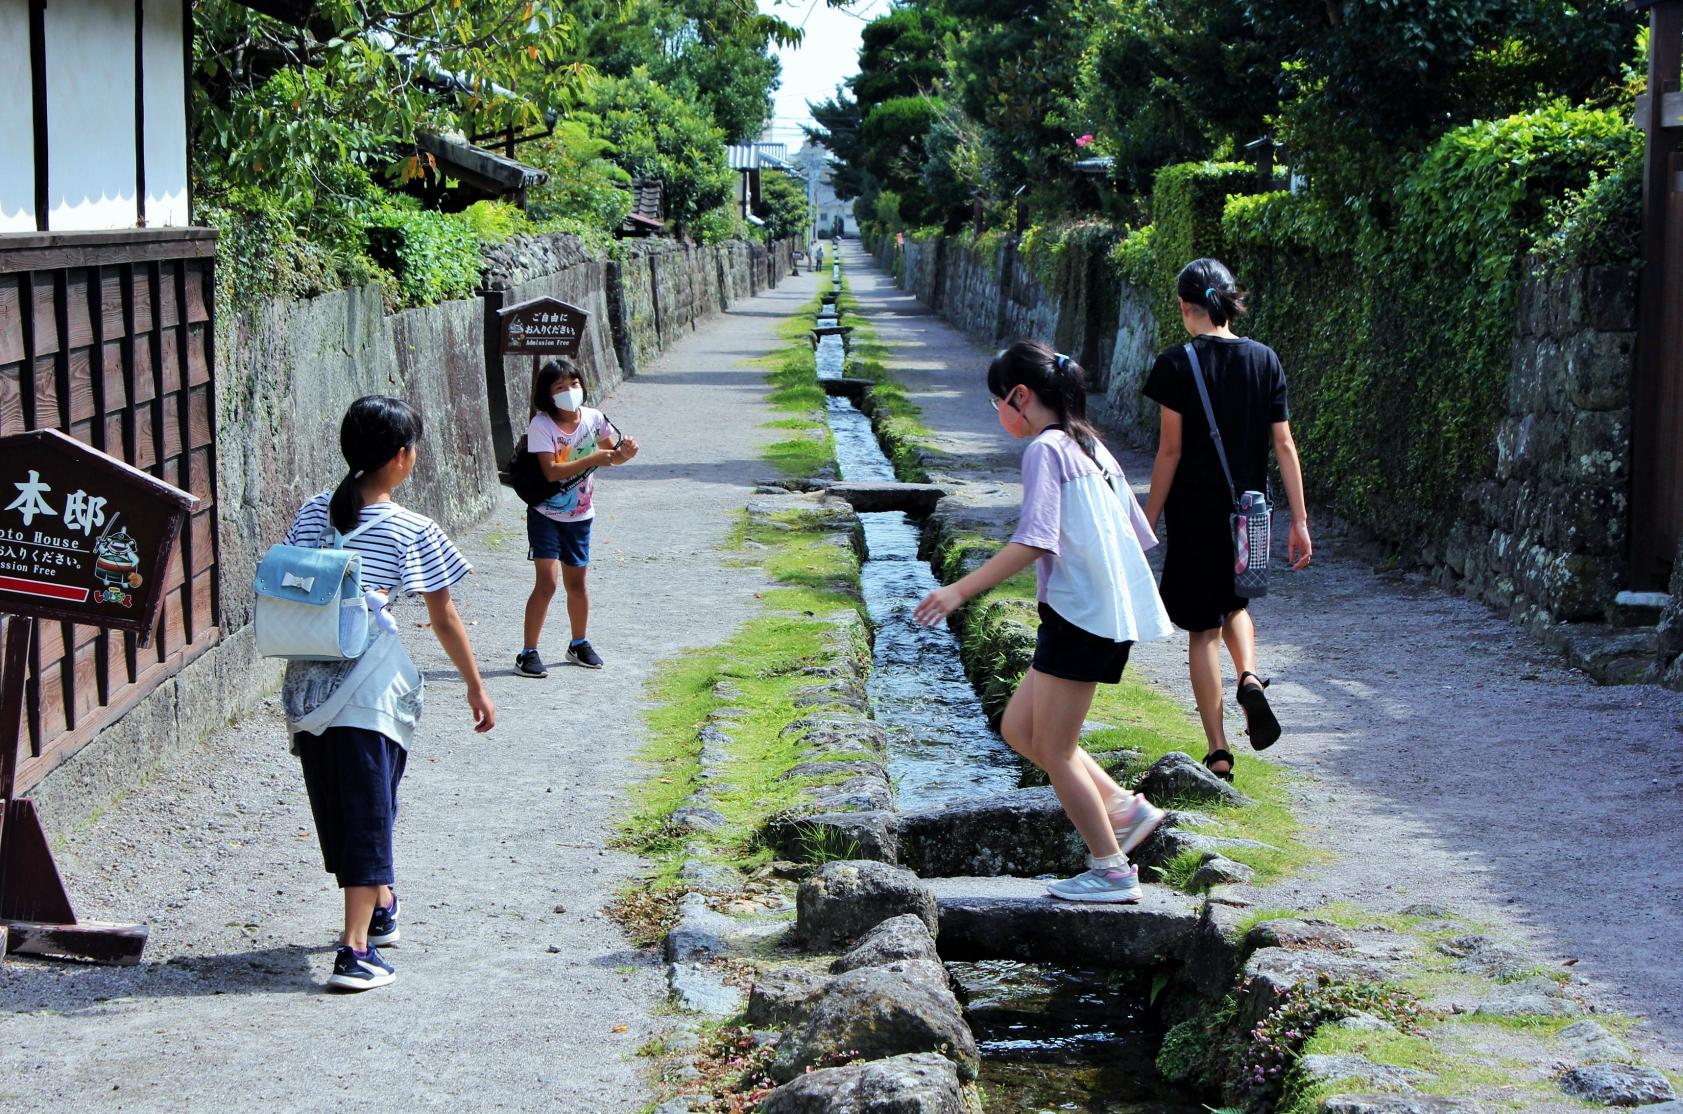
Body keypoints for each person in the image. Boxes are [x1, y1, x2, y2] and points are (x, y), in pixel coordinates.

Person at [914, 341, 1173, 903]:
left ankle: (1111, 870)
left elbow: (1035, 538)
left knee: (1055, 750)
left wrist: (958, 590)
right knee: (1018, 729)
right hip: (1097, 613)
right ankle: (1125, 810)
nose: (999, 414)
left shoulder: (1045, 451)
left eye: (996, 404)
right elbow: (1138, 531)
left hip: (1080, 615)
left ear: (1020, 396)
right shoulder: (1092, 447)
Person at [281, 395, 496, 991]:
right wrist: (476, 686)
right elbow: (445, 618)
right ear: (403, 459)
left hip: (307, 691)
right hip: (369, 693)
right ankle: (355, 952)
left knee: (344, 806)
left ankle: (381, 904)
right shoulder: (413, 530)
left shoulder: (310, 514)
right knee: (369, 811)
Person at [1142, 257, 1311, 783]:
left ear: (1183, 306)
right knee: (1236, 602)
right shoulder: (1265, 360)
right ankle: (1251, 677)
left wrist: (1146, 520)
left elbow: (1169, 453)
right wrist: (1299, 522)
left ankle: (1218, 751)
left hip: (1194, 515)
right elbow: (1283, 444)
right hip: (1250, 512)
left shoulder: (1175, 365)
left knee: (1201, 631)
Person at [516, 358, 638, 677]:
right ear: (547, 394)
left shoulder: (595, 419)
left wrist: (624, 454)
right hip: (545, 513)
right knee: (547, 583)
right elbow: (551, 471)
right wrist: (594, 458)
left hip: (581, 515)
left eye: (574, 384)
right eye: (560, 387)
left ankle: (578, 643)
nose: (570, 391)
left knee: (578, 584)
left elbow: (612, 455)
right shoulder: (542, 425)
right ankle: (528, 652)